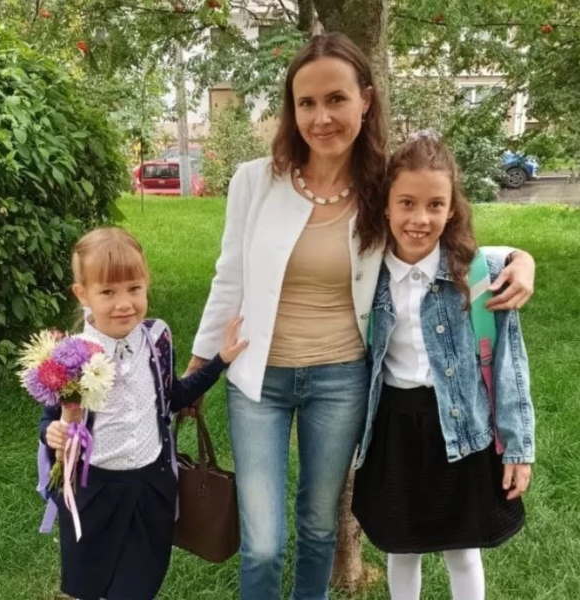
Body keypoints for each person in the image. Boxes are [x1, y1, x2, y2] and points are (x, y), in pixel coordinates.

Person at [187, 33, 535, 600]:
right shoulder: (254, 181)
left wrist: (521, 258)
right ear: (291, 109)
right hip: (258, 378)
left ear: (365, 100)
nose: (321, 117)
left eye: (336, 99)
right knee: (264, 543)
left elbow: (436, 238)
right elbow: (229, 277)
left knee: (319, 527)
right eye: (306, 103)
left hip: (340, 379)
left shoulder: (380, 188)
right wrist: (198, 369)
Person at [351, 133, 535, 600]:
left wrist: (518, 448)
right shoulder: (366, 274)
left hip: (460, 424)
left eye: (435, 204)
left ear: (452, 209)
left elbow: (510, 364)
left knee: (463, 549)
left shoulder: (478, 274)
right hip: (395, 428)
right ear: (386, 206)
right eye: (407, 203)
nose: (420, 218)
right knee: (401, 547)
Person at [39, 226, 246, 600]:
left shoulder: (157, 339)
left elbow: (174, 397)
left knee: (140, 583)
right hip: (92, 489)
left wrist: (220, 361)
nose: (125, 303)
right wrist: (52, 431)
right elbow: (50, 418)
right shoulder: (70, 354)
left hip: (151, 485)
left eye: (134, 288)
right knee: (89, 584)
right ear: (82, 294)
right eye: (108, 292)